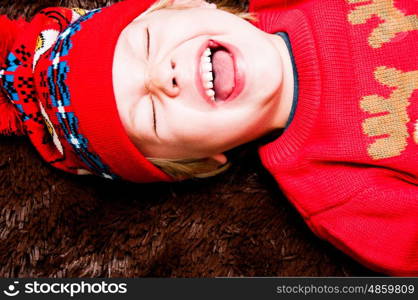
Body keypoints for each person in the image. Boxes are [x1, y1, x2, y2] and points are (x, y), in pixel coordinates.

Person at [0, 0, 416, 275]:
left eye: (145, 43)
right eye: (151, 115)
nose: (163, 76)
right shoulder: (336, 195)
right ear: (202, 162)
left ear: (191, 4)